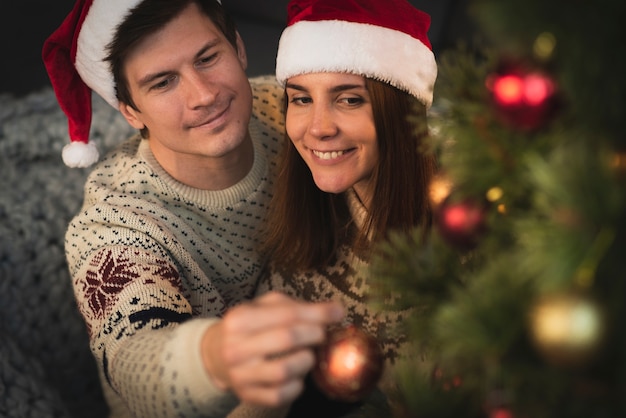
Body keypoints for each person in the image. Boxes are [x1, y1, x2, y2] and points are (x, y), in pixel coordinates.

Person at [42, 0, 344, 417]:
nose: (204, 95)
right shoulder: (112, 226)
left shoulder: (290, 110)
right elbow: (135, 356)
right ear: (130, 111)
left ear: (237, 47)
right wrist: (218, 355)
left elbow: (401, 128)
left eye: (207, 58)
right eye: (163, 82)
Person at [259, 0, 438, 414]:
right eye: (301, 100)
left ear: (400, 112)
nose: (319, 128)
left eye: (349, 100)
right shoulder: (307, 221)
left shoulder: (467, 235)